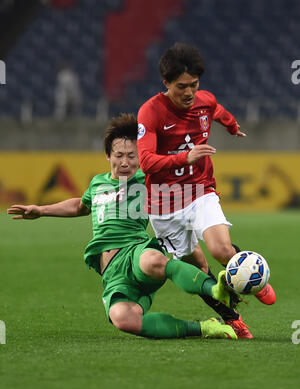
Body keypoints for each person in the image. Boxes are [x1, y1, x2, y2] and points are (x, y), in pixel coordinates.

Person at [7, 113, 237, 341]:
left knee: (154, 260)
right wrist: (41, 210)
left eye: (132, 156)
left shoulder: (148, 179)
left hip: (135, 252)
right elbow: (80, 205)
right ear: (108, 156)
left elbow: (180, 186)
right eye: (119, 155)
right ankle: (205, 328)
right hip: (113, 274)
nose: (125, 162)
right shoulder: (97, 183)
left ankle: (214, 290)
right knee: (124, 320)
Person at [137, 43, 276, 338]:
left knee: (220, 249)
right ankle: (231, 317)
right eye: (181, 87)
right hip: (164, 202)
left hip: (200, 189)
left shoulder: (204, 101)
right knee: (198, 268)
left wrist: (231, 125)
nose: (188, 93)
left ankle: (258, 280)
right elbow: (146, 161)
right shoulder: (150, 112)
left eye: (194, 85)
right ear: (166, 83)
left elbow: (217, 110)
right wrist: (183, 157)